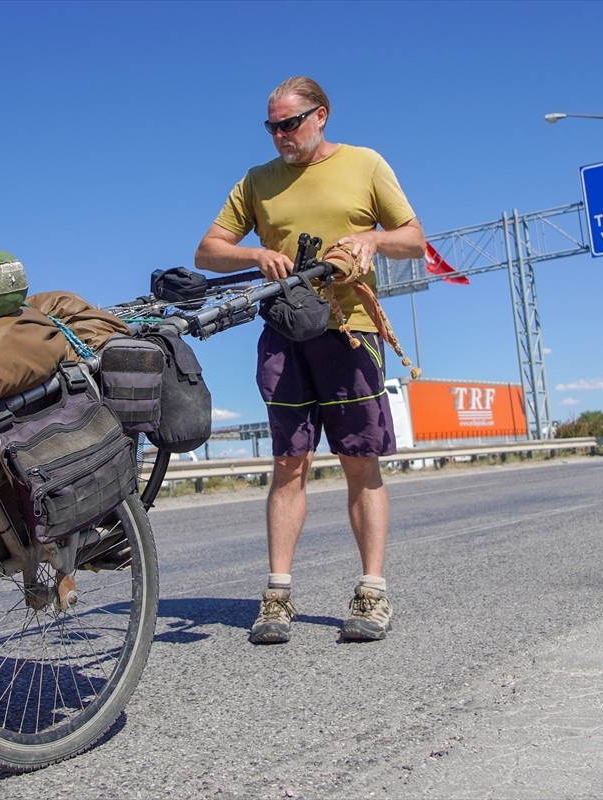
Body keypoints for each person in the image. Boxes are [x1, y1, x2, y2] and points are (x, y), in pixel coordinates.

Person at [194, 76, 425, 644]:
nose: (279, 136)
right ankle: (277, 597)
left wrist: (372, 242)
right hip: (285, 333)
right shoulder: (257, 181)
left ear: (320, 116)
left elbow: (415, 237)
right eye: (271, 126)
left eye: (289, 124)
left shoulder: (365, 164)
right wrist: (256, 252)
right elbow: (207, 250)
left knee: (358, 462)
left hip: (352, 333)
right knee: (288, 465)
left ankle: (372, 593)